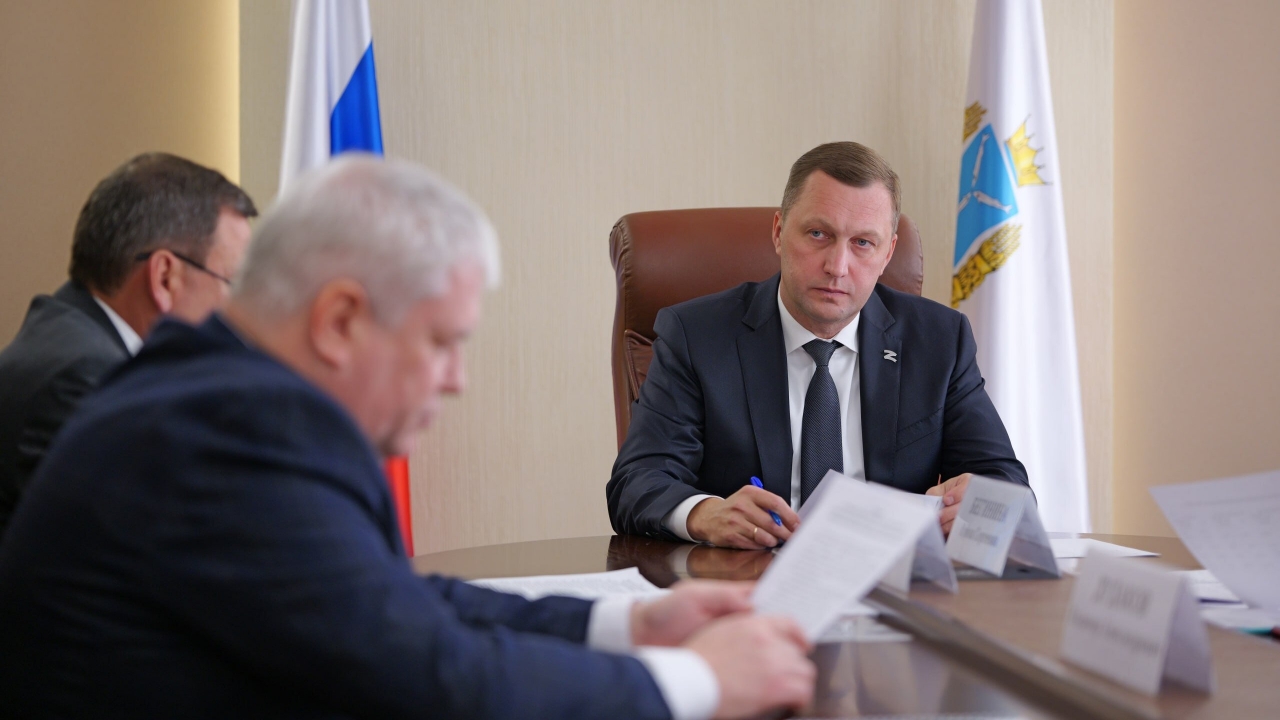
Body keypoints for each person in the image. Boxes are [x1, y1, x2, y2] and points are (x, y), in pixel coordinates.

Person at [0, 155, 815, 720]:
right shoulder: (229, 433)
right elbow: (428, 678)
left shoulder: (214, 391)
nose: (456, 379)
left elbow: (393, 602)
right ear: (341, 320)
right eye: (441, 341)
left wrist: (628, 628)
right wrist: (695, 682)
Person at [607, 141, 1027, 549]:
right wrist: (705, 513)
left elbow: (1006, 483)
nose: (837, 267)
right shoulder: (697, 336)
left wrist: (980, 501)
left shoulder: (939, 340)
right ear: (778, 232)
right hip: (750, 578)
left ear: (888, 253)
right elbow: (637, 480)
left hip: (889, 578)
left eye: (863, 243)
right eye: (818, 234)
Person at [0, 152, 256, 538]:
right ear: (165, 278)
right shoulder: (84, 380)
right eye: (233, 283)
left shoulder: (76, 340)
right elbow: (159, 547)